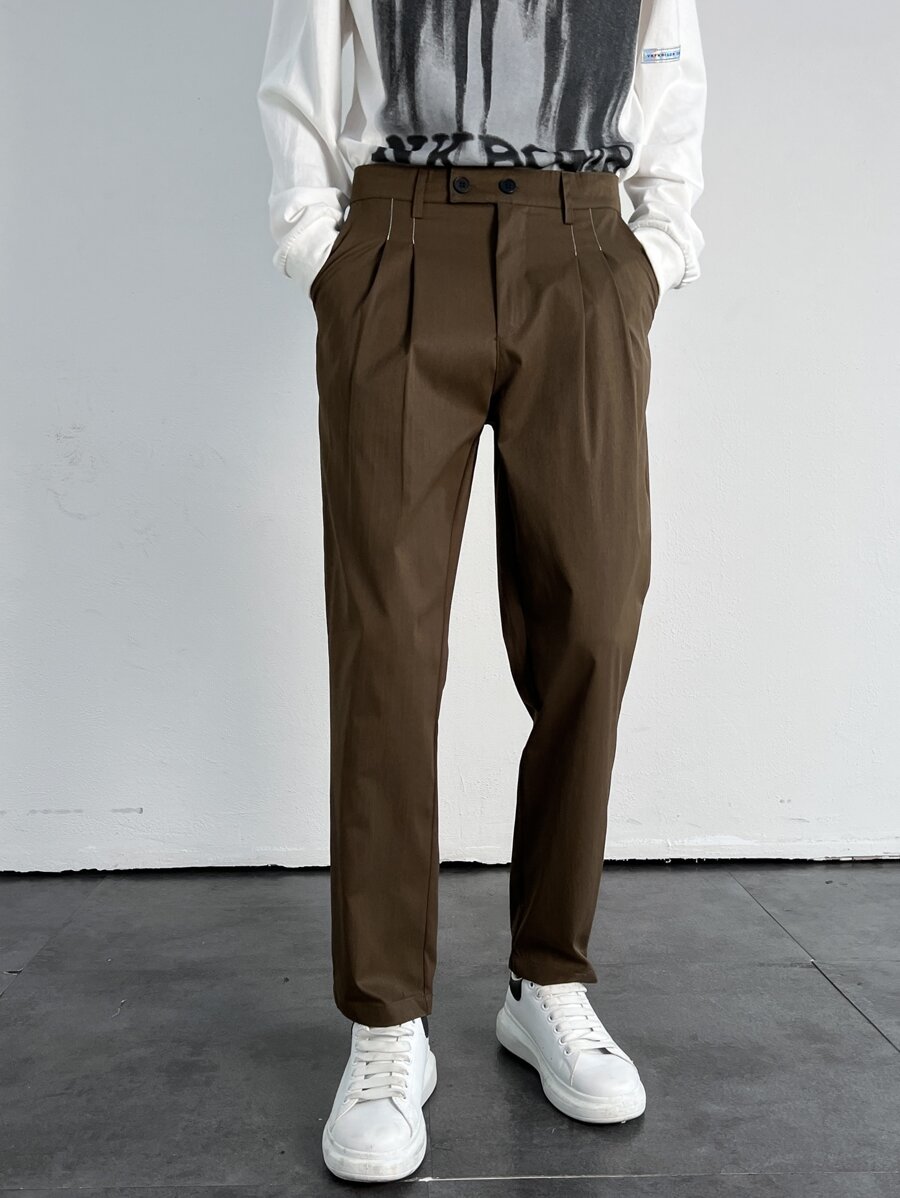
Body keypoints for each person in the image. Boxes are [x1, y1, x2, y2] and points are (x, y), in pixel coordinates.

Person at [257, 0, 706, 1182]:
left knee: (595, 621)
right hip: (400, 239)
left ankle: (547, 976)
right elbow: (302, 71)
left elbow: (671, 71)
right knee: (387, 644)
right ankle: (386, 1019)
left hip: (584, 242)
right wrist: (321, 250)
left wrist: (653, 251)